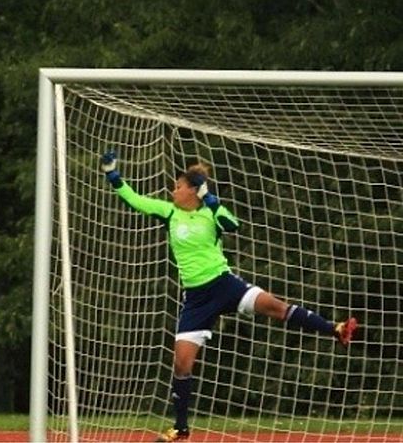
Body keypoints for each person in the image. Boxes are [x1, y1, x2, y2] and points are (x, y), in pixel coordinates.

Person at [98, 150, 358, 443]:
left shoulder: (211, 211)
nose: (174, 190)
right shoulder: (168, 212)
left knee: (275, 307)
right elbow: (133, 199)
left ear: (193, 191)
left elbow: (233, 225)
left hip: (224, 285)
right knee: (182, 364)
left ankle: (334, 329)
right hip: (196, 299)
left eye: (179, 186)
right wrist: (112, 174)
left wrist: (210, 199)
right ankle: (180, 428)